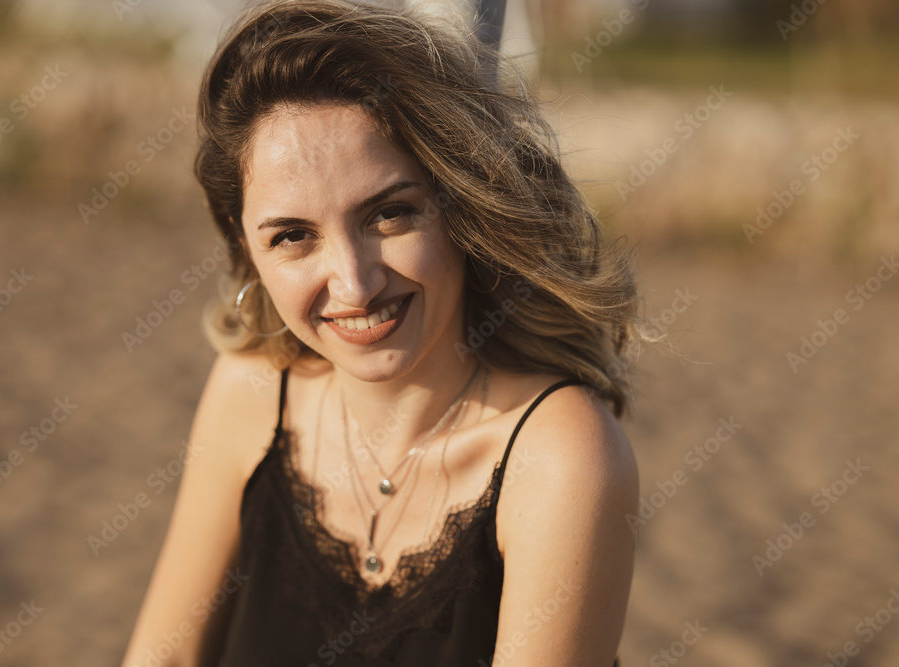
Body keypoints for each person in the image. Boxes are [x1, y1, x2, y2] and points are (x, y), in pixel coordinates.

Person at [122, 0, 644, 665]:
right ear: (245, 250)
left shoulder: (561, 455)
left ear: (461, 204)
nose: (354, 283)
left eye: (389, 214)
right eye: (292, 236)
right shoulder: (249, 394)